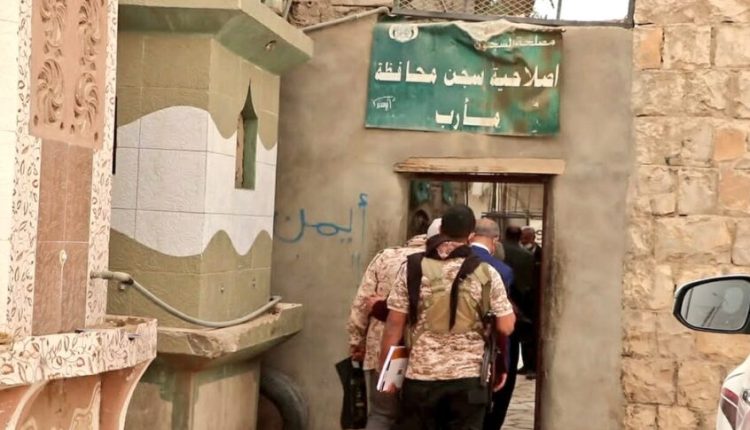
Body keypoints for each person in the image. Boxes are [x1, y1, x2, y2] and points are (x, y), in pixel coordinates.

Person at [380, 205, 516, 430]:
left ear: (441, 229)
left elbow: (393, 327)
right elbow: (506, 326)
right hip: (469, 380)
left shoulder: (412, 268)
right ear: (471, 235)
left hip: (420, 379)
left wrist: (388, 376)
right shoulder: (487, 273)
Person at [347, 234, 427, 429]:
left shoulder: (385, 257)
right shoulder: (438, 263)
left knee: (381, 413)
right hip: (421, 354)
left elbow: (361, 303)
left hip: (381, 349)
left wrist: (357, 342)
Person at [470, 219, 518, 430]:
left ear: (471, 235)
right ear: (495, 239)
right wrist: (503, 364)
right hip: (481, 352)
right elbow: (503, 323)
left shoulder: (444, 262)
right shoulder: (501, 270)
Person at [503, 226, 536, 379]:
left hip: (502, 297)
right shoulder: (527, 255)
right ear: (519, 237)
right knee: (516, 339)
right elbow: (529, 281)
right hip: (521, 301)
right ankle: (512, 370)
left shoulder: (497, 251)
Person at [520, 226, 542, 379]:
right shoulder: (520, 253)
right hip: (524, 299)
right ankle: (526, 364)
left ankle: (534, 367)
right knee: (524, 335)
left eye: (526, 238)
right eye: (522, 238)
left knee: (534, 335)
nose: (523, 240)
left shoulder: (541, 254)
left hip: (536, 300)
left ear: (533, 238)